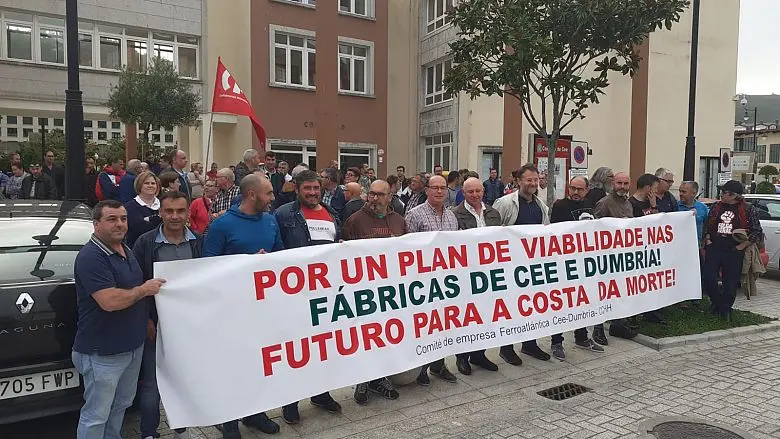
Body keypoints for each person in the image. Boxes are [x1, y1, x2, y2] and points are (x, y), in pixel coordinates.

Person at [72, 200, 164, 439]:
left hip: (131, 348)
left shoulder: (124, 249)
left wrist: (146, 320)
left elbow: (131, 291)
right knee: (95, 416)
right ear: (96, 224)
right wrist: (144, 290)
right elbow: (109, 301)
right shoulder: (91, 256)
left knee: (120, 406)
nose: (120, 224)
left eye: (123, 218)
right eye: (112, 219)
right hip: (102, 353)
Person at [204, 174, 283, 438]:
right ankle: (229, 422)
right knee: (231, 367)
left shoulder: (271, 222)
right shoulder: (222, 226)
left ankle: (254, 413)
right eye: (269, 193)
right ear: (252, 195)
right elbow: (208, 268)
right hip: (231, 309)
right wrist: (247, 263)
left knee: (258, 364)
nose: (273, 198)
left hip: (261, 308)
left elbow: (280, 258)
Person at [273, 170, 343, 424]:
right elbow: (276, 249)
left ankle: (320, 393)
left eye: (316, 188)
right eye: (308, 189)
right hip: (295, 293)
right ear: (298, 190)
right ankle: (290, 402)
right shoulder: (283, 214)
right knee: (296, 349)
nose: (313, 193)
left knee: (323, 346)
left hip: (325, 293)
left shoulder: (332, 214)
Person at [133, 192, 201, 439]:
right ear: (160, 212)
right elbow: (137, 283)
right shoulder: (145, 243)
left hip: (189, 325)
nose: (174, 216)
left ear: (187, 214)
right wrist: (146, 319)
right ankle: (149, 432)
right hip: (156, 324)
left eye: (180, 211)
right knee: (152, 383)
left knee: (182, 380)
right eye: (169, 211)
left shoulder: (199, 242)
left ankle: (181, 429)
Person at [343, 180, 405, 404]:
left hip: (391, 291)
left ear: (390, 197)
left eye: (381, 195)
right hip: (364, 292)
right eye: (372, 194)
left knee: (385, 335)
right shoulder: (355, 221)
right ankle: (363, 380)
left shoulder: (399, 221)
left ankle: (380, 378)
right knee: (365, 337)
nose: (375, 199)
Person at [493, 164, 551, 364]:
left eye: (536, 180)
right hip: (509, 267)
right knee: (510, 309)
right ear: (518, 181)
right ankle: (506, 348)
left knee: (532, 307)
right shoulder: (505, 203)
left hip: (532, 267)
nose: (533, 183)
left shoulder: (541, 206)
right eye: (529, 180)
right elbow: (493, 233)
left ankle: (529, 344)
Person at [406, 175, 459, 385]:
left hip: (445, 281)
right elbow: (406, 250)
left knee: (444, 324)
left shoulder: (451, 217)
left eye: (442, 188)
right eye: (434, 188)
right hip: (422, 281)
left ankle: (439, 364)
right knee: (424, 326)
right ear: (426, 190)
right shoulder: (414, 215)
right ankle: (421, 368)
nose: (439, 192)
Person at [548, 176, 606, 359]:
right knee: (562, 304)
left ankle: (582, 336)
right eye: (572, 188)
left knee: (582, 300)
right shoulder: (560, 206)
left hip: (584, 262)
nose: (575, 192)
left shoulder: (589, 203)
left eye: (579, 189)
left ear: (587, 190)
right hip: (565, 262)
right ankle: (556, 342)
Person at [453, 178, 501, 374]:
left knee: (485, 315)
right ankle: (462, 357)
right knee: (467, 317)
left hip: (488, 274)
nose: (475, 195)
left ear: (483, 191)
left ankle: (479, 354)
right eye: (470, 191)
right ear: (463, 193)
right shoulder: (455, 215)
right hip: (466, 275)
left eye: (478, 191)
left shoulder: (493, 213)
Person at [703, 180, 763, 320]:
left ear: (732, 195)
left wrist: (740, 247)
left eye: (724, 192)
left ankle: (725, 310)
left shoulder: (748, 209)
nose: (721, 194)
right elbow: (708, 225)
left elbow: (756, 232)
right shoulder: (716, 207)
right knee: (709, 278)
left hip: (734, 249)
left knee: (730, 282)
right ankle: (717, 303)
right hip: (715, 247)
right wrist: (708, 240)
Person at [593, 172, 635, 340]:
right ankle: (598, 328)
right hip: (606, 257)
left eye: (625, 183)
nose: (622, 187)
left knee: (620, 292)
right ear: (613, 183)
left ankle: (618, 325)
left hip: (622, 257)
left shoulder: (628, 203)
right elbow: (595, 229)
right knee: (603, 295)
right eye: (619, 183)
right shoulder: (604, 203)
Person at [124, 172, 162, 247]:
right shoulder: (130, 207)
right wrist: (158, 219)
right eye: (146, 183)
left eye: (153, 183)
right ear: (139, 185)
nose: (150, 186)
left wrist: (150, 220)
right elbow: (140, 229)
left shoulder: (164, 204)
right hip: (139, 248)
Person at [678, 181, 709, 246]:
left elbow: (706, 226)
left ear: (694, 193)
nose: (680, 194)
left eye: (684, 192)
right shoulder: (675, 206)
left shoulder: (703, 208)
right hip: (678, 246)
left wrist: (704, 240)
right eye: (679, 191)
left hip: (696, 247)